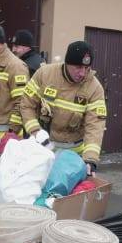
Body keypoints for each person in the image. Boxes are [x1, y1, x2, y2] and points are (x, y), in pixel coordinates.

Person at [20, 41, 106, 175]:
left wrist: (90, 160)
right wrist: (35, 131)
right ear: (67, 63)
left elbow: (95, 126)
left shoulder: (94, 88)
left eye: (86, 68)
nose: (82, 73)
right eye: (78, 67)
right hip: (43, 149)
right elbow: (26, 104)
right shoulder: (45, 74)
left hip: (73, 155)